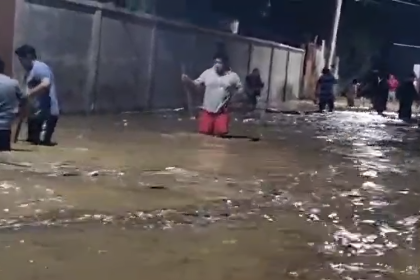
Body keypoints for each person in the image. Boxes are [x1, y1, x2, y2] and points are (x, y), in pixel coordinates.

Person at [181, 53, 243, 137]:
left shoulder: (233, 76)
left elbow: (240, 88)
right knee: (203, 134)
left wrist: (234, 99)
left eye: (220, 62)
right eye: (215, 62)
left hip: (222, 111)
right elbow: (195, 84)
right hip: (208, 110)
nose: (217, 65)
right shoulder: (207, 73)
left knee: (221, 135)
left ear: (225, 63)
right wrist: (188, 81)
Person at [14, 44, 59, 145]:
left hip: (46, 114)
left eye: (21, 59)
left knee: (42, 144)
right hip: (35, 114)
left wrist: (29, 93)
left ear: (29, 57)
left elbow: (46, 84)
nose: (20, 63)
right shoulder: (28, 73)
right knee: (32, 142)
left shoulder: (40, 68)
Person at [0, 57, 26, 151]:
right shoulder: (13, 83)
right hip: (5, 128)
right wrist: (20, 113)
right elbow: (24, 100)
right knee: (5, 153)